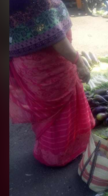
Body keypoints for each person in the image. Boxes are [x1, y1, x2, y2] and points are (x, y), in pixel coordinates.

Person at [9, 0, 95, 167]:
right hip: (49, 67)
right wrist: (78, 62)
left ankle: (50, 151)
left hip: (30, 69)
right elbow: (54, 36)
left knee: (50, 113)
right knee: (63, 109)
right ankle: (61, 154)